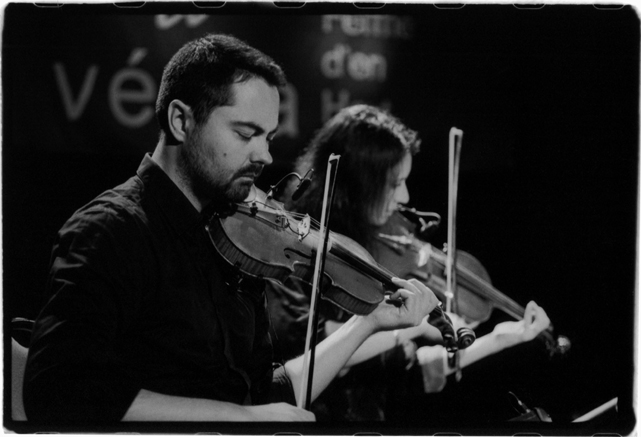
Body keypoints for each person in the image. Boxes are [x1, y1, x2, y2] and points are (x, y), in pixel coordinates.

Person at [22, 35, 441, 423]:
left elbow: (265, 396)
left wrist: (366, 322)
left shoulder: (240, 239)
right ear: (181, 121)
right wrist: (239, 419)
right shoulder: (111, 231)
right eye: (246, 133)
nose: (264, 154)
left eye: (270, 137)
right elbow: (57, 392)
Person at [267, 104, 551, 421]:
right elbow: (314, 343)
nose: (404, 197)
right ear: (359, 182)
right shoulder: (294, 246)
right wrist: (405, 328)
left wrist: (502, 338)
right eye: (394, 183)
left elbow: (411, 374)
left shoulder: (371, 255)